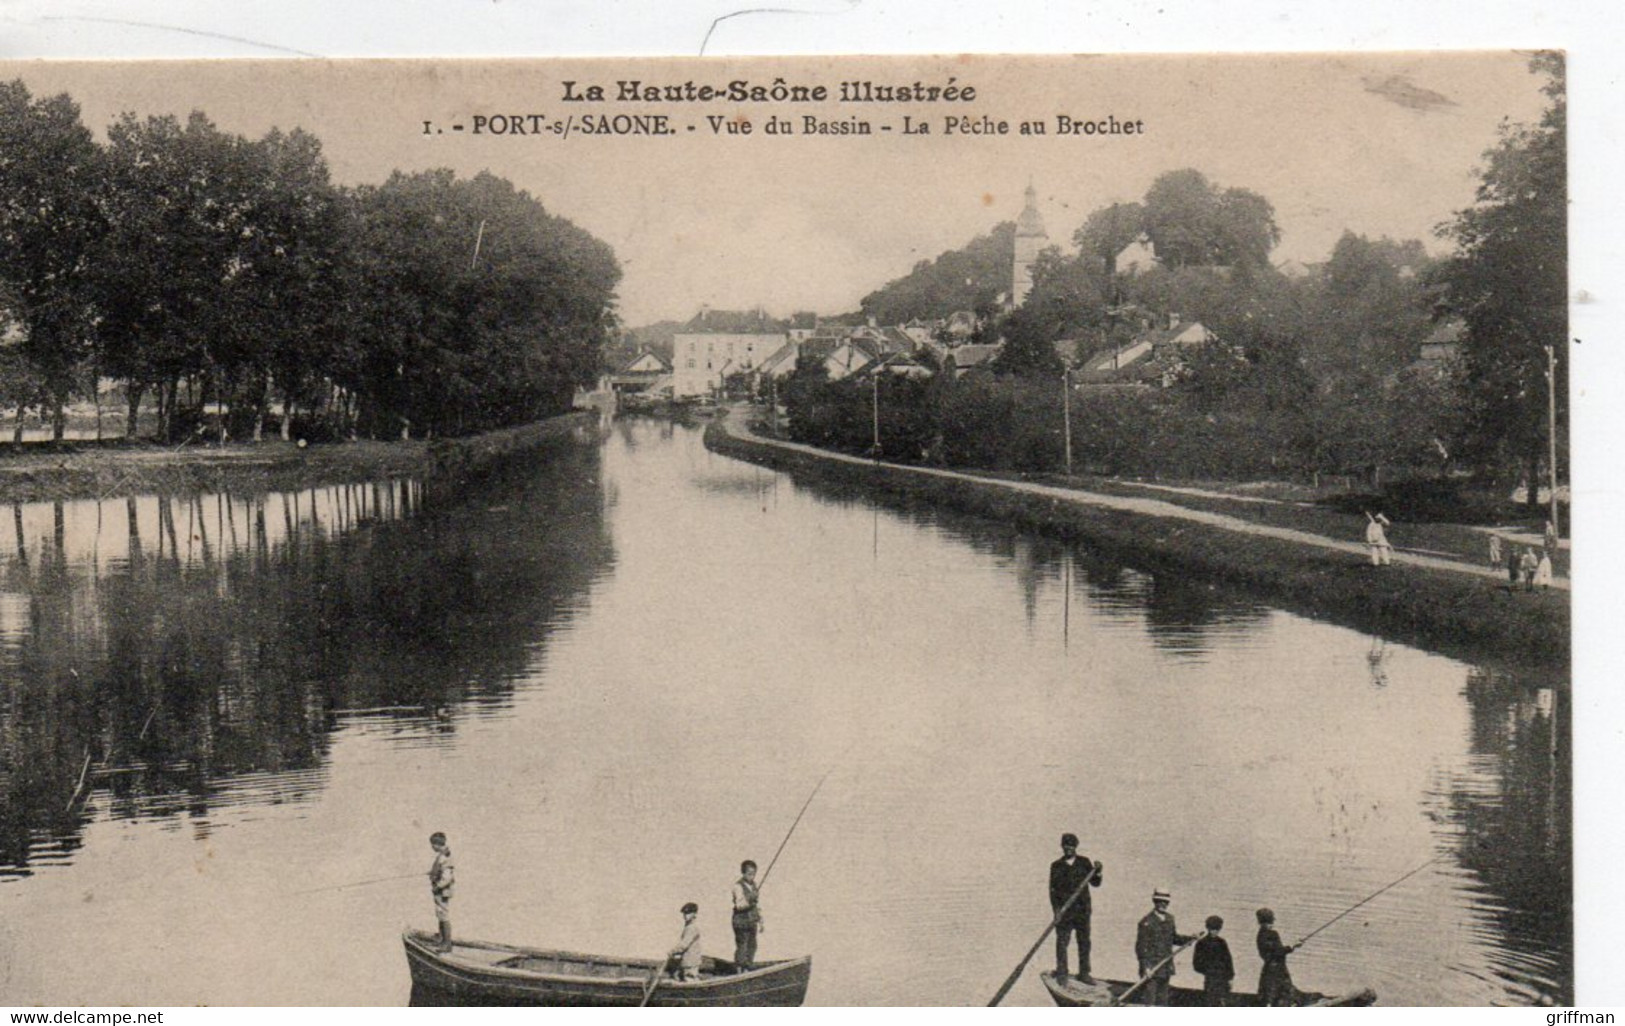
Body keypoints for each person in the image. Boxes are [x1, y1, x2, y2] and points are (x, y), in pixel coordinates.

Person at [1049, 832, 1104, 982]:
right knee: (1062, 942)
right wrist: (1056, 911)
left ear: (1076, 847)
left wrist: (1098, 871)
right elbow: (1052, 891)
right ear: (1062, 847)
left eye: (1071, 846)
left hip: (1082, 911)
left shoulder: (1084, 862)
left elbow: (1096, 883)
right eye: (1066, 845)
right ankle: (1062, 973)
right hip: (1065, 912)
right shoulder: (1056, 866)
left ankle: (1084, 973)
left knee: (1084, 942)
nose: (1068, 848)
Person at [1134, 888, 1196, 1006]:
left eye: (1165, 902)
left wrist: (1189, 939)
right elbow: (1140, 948)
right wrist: (1145, 967)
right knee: (1150, 1001)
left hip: (1165, 966)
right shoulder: (1146, 922)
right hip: (1151, 968)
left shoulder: (1170, 919)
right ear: (1154, 901)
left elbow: (1174, 938)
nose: (1163, 904)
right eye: (1160, 901)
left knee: (1163, 1001)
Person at [1256, 907, 1298, 1007]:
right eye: (1270, 922)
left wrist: (1290, 947)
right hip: (1277, 969)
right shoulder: (1272, 934)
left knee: (1269, 994)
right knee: (1284, 991)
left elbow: (1272, 952)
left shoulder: (1260, 935)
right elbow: (1278, 951)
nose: (1271, 924)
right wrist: (1292, 947)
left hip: (1268, 969)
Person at [1192, 915, 1234, 1006]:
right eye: (1212, 929)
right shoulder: (1201, 943)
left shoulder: (1222, 942)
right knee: (1210, 1002)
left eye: (1217, 929)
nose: (1214, 931)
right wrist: (1208, 971)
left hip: (1223, 979)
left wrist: (1230, 977)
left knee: (1223, 1003)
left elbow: (1228, 961)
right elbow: (1196, 964)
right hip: (1210, 979)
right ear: (1208, 928)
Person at [730, 859, 763, 972]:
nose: (752, 877)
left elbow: (757, 905)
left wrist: (761, 920)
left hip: (752, 920)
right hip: (741, 921)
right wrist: (750, 898)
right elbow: (739, 905)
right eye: (749, 874)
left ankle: (747, 968)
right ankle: (739, 969)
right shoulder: (737, 886)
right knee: (742, 946)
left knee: (752, 945)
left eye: (754, 874)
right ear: (743, 873)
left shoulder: (754, 885)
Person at [428, 831, 455, 953]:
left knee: (444, 916)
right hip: (440, 892)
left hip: (442, 892)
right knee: (440, 914)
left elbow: (447, 878)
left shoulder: (444, 857)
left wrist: (437, 886)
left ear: (437, 844)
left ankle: (447, 944)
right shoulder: (442, 856)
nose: (432, 847)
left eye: (432, 845)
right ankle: (442, 938)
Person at [666, 902, 703, 981]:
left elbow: (683, 945)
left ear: (694, 914)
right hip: (689, 961)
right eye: (685, 913)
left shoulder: (692, 928)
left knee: (690, 980)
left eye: (688, 913)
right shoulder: (689, 927)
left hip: (690, 962)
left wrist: (672, 951)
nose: (685, 916)